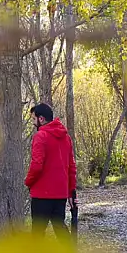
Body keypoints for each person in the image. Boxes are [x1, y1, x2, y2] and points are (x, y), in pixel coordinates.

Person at [24, 103, 77, 240]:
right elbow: (71, 167)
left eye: (34, 119)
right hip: (60, 193)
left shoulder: (40, 136)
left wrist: (28, 182)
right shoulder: (66, 138)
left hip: (42, 194)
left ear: (41, 119)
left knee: (37, 232)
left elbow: (36, 165)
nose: (33, 123)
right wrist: (70, 191)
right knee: (60, 227)